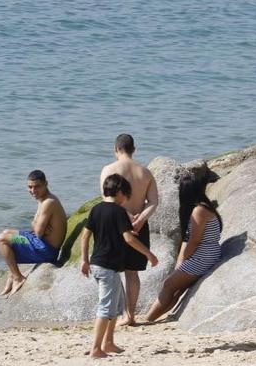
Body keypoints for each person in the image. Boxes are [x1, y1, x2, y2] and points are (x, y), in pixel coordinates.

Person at [80, 174, 159, 359]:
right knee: (106, 307)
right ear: (120, 192)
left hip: (100, 264)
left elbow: (85, 236)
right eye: (127, 194)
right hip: (107, 267)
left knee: (115, 306)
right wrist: (149, 254)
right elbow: (129, 238)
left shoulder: (96, 209)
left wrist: (84, 259)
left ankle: (108, 342)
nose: (127, 198)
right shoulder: (118, 211)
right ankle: (95, 349)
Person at [144, 170, 223, 322]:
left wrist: (183, 261)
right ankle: (153, 318)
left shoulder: (199, 211)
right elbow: (189, 239)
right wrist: (180, 262)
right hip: (208, 252)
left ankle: (148, 319)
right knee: (177, 289)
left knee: (168, 285)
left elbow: (194, 241)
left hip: (204, 255)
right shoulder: (204, 206)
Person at [99, 133, 159, 326]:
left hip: (117, 225)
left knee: (113, 272)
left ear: (116, 149)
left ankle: (116, 313)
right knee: (132, 273)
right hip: (139, 227)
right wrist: (139, 219)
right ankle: (130, 315)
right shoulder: (145, 172)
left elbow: (106, 198)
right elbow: (154, 202)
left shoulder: (108, 169)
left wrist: (125, 215)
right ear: (134, 149)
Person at [0, 170, 67, 297]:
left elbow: (38, 233)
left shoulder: (49, 202)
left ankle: (17, 277)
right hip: (39, 242)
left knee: (2, 240)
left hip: (45, 249)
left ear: (46, 184)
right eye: (30, 187)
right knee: (6, 232)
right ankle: (12, 273)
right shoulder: (43, 199)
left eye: (37, 187)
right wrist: (37, 224)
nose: (33, 191)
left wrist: (36, 224)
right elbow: (37, 229)